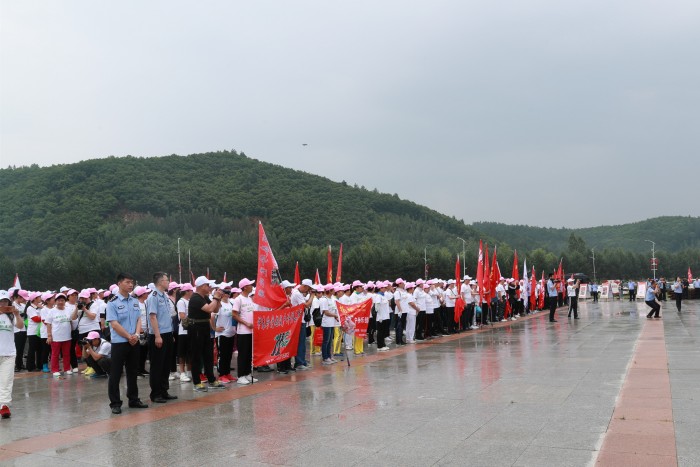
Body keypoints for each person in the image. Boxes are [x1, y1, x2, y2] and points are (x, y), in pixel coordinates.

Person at [106, 273, 149, 414]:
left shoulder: (134, 300)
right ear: (119, 283)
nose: (131, 285)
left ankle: (133, 399)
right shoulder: (112, 302)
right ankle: (115, 403)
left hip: (134, 341)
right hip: (120, 342)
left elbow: (138, 319)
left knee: (132, 372)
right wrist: (128, 336)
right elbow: (114, 324)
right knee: (116, 373)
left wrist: (136, 335)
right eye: (127, 282)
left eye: (132, 282)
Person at [188, 276, 227, 392]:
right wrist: (215, 297)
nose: (209, 287)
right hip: (196, 328)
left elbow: (215, 310)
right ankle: (197, 382)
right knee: (196, 356)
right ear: (201, 286)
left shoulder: (204, 297)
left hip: (205, 327)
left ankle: (211, 379)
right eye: (207, 285)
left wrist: (218, 299)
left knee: (208, 355)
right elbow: (209, 309)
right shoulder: (195, 298)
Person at [146, 272, 178, 403]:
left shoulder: (164, 295)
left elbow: (166, 316)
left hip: (167, 333)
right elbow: (152, 317)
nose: (168, 282)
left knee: (166, 364)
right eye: (166, 280)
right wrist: (157, 336)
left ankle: (164, 391)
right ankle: (156, 393)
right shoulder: (153, 296)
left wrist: (170, 334)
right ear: (160, 282)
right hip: (157, 334)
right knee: (157, 365)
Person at [1, 290, 24, 419]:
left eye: (6, 302)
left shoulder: (11, 315)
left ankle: (4, 405)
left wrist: (17, 314)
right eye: (1, 302)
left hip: (8, 353)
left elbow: (20, 326)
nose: (3, 304)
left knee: (6, 380)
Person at [232, 278, 258, 385]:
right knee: (243, 354)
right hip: (243, 331)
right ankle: (240, 376)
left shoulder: (250, 299)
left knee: (249, 354)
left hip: (251, 331)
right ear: (245, 287)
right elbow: (234, 315)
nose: (252, 286)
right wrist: (246, 323)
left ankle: (247, 373)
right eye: (250, 285)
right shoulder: (238, 299)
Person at [45, 293, 75, 377]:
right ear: (55, 301)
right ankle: (55, 370)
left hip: (67, 336)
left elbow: (71, 321)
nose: (60, 302)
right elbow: (48, 324)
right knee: (55, 354)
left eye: (62, 300)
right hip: (56, 337)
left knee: (66, 353)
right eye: (58, 300)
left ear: (65, 301)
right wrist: (49, 335)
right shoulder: (52, 311)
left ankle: (67, 368)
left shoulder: (68, 310)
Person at [211, 285, 236, 383]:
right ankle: (221, 375)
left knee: (229, 355)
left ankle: (227, 373)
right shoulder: (219, 304)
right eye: (225, 292)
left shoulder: (231, 303)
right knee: (222, 355)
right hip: (222, 334)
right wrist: (214, 328)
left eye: (229, 292)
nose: (228, 294)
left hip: (231, 333)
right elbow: (211, 316)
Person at [292, 279, 314, 369]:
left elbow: (306, 302)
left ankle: (303, 361)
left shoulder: (300, 294)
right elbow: (306, 305)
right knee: (300, 343)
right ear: (305, 286)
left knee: (303, 342)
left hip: (302, 320)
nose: (308, 291)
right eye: (308, 288)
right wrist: (312, 296)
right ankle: (299, 362)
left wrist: (310, 296)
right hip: (298, 321)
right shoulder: (297, 293)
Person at [175, 283, 193, 382]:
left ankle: (189, 371)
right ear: (187, 291)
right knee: (182, 353)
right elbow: (182, 315)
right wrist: (192, 322)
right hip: (183, 331)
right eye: (191, 290)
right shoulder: (181, 302)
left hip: (190, 331)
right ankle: (182, 372)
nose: (192, 292)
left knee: (190, 352)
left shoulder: (189, 301)